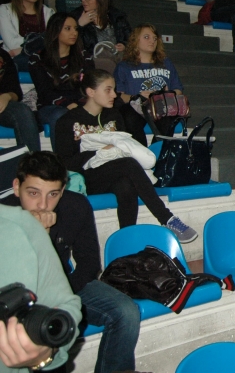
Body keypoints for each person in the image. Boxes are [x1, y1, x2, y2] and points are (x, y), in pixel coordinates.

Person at [2, 151, 141, 373]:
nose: (43, 204)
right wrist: (38, 235)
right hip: (17, 293)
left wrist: (65, 296)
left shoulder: (76, 206)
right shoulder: (5, 217)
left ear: (63, 190)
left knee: (127, 312)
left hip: (68, 284)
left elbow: (89, 264)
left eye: (53, 194)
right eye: (33, 193)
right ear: (17, 187)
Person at [54, 68, 197, 241]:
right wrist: (99, 152)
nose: (114, 95)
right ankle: (166, 218)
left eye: (114, 89)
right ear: (91, 92)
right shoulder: (67, 121)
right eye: (108, 90)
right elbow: (65, 163)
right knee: (128, 164)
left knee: (126, 185)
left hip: (115, 172)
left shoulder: (114, 115)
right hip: (87, 178)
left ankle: (126, 241)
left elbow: (125, 146)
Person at [0, 203, 81, 373]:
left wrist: (44, 355)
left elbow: (66, 306)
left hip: (79, 284)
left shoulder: (20, 224)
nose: (43, 204)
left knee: (125, 312)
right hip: (78, 284)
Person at [28, 13, 93, 150]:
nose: (74, 33)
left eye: (75, 29)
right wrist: (68, 104)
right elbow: (45, 92)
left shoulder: (84, 56)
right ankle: (61, 164)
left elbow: (90, 86)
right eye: (68, 29)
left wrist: (80, 104)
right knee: (60, 115)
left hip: (79, 103)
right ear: (55, 31)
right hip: (50, 106)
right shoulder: (37, 59)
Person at [113, 23, 184, 145]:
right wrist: (137, 96)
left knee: (169, 120)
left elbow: (178, 89)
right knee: (128, 117)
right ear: (136, 40)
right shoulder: (124, 66)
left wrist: (168, 95)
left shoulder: (166, 63)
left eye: (155, 38)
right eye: (146, 37)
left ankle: (156, 154)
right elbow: (118, 95)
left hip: (161, 106)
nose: (152, 41)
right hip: (135, 107)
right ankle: (141, 155)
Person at [0, 0, 55, 71]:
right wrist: (41, 42)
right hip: (14, 62)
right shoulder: (4, 10)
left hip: (43, 60)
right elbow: (12, 43)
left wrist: (22, 49)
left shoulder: (49, 12)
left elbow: (54, 41)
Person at [70, 0, 130, 65]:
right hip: (91, 63)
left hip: (117, 60)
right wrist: (80, 25)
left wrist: (124, 45)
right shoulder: (75, 17)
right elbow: (72, 46)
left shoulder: (116, 16)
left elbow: (131, 39)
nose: (84, 0)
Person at [0, 47, 39, 151]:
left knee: (23, 112)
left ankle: (32, 164)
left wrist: (7, 96)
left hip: (2, 106)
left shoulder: (2, 55)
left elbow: (16, 92)